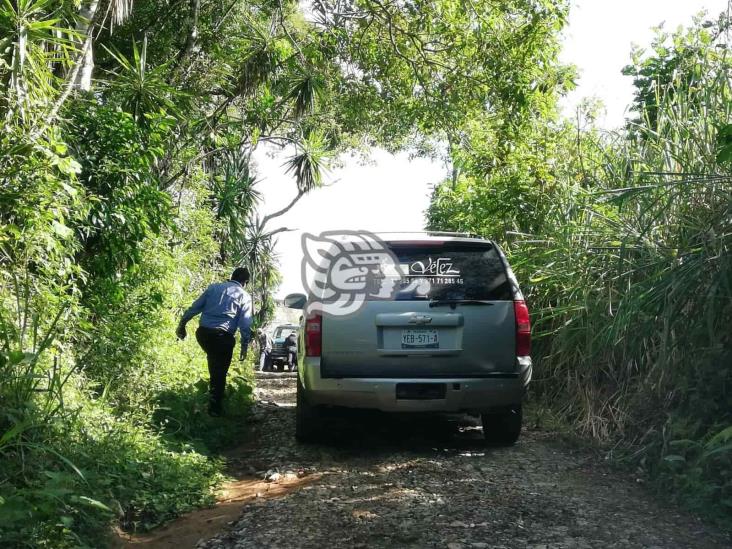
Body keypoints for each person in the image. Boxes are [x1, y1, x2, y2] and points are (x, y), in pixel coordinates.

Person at [176, 267, 252, 416]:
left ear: (232, 276)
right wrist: (244, 346)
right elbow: (245, 324)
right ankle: (215, 409)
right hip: (222, 337)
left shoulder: (213, 288)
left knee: (215, 364)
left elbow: (194, 308)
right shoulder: (244, 296)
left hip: (203, 334)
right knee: (220, 371)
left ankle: (211, 401)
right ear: (246, 282)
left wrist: (182, 324)